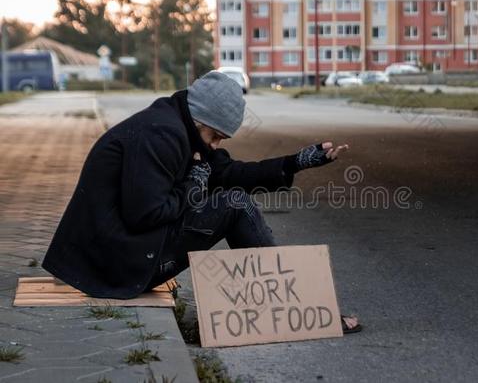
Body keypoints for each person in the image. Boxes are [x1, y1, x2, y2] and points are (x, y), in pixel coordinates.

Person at [42, 71, 361, 333]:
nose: (217, 144)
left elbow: (230, 173)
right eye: (216, 135)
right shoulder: (161, 135)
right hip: (118, 265)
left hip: (119, 255)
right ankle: (299, 309)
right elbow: (145, 214)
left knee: (233, 198)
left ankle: (290, 306)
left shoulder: (182, 127)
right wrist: (193, 185)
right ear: (200, 120)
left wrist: (296, 162)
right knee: (234, 204)